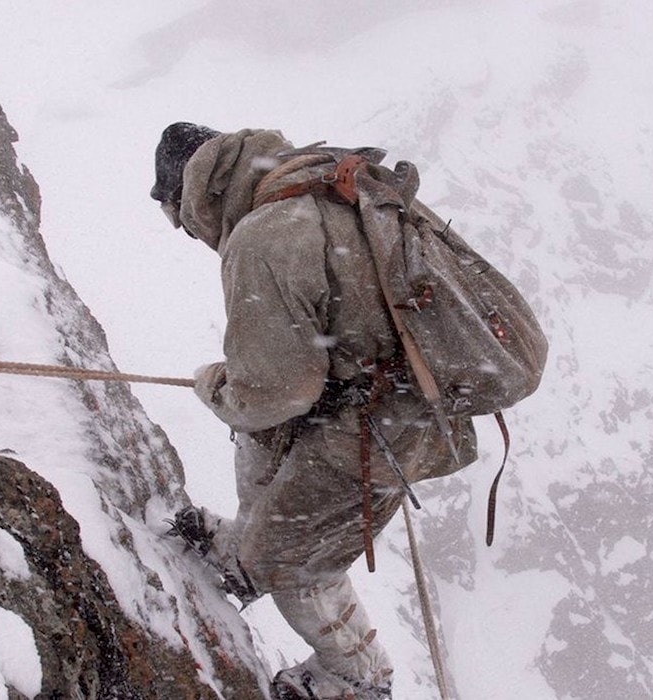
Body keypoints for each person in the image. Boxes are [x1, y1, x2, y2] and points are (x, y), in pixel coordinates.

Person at [151, 122, 477, 700]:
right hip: (400, 404)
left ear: (190, 196)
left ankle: (355, 678)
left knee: (299, 560)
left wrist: (215, 388)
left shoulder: (263, 236)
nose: (188, 234)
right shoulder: (317, 183)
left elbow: (272, 394)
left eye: (178, 219)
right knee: (265, 459)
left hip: (369, 429)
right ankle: (243, 560)